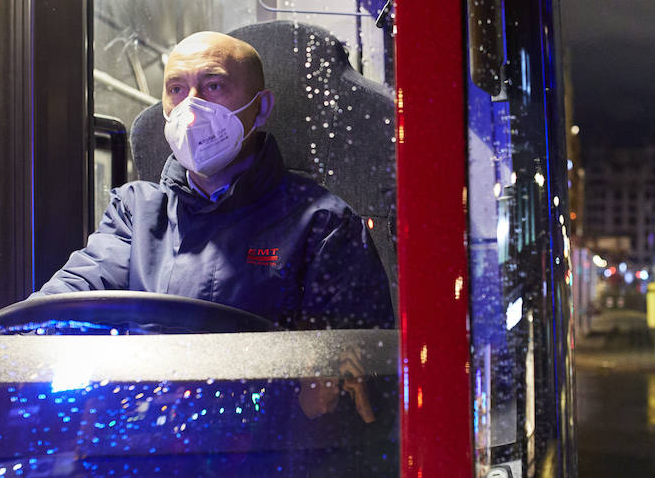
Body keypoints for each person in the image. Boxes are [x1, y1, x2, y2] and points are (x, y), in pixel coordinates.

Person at [35, 31, 393, 332]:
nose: (190, 110)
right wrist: (19, 335)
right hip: (146, 411)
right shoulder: (136, 210)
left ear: (262, 107)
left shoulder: (322, 223)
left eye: (214, 85)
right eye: (176, 89)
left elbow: (342, 373)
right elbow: (76, 290)